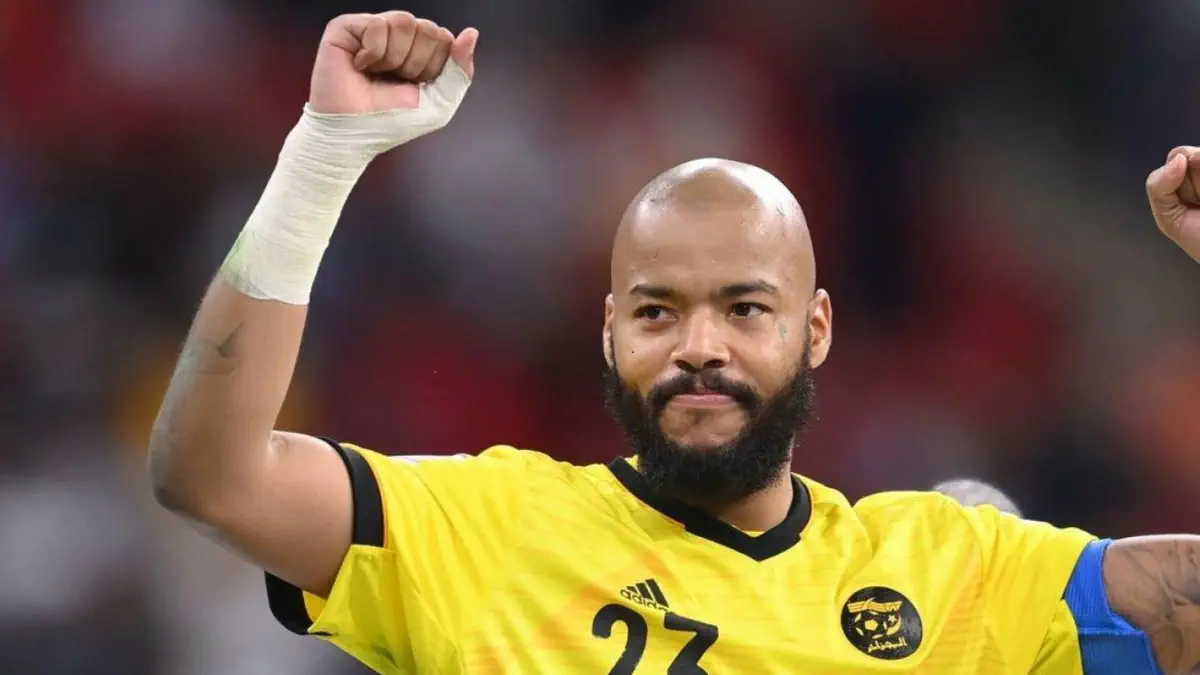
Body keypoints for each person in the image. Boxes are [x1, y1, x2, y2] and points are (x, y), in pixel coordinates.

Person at [148, 10, 1200, 675]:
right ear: (609, 333)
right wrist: (324, 157)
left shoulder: (955, 571)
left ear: (815, 329)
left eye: (744, 309)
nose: (700, 346)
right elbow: (210, 475)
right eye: (657, 312)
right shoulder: (484, 530)